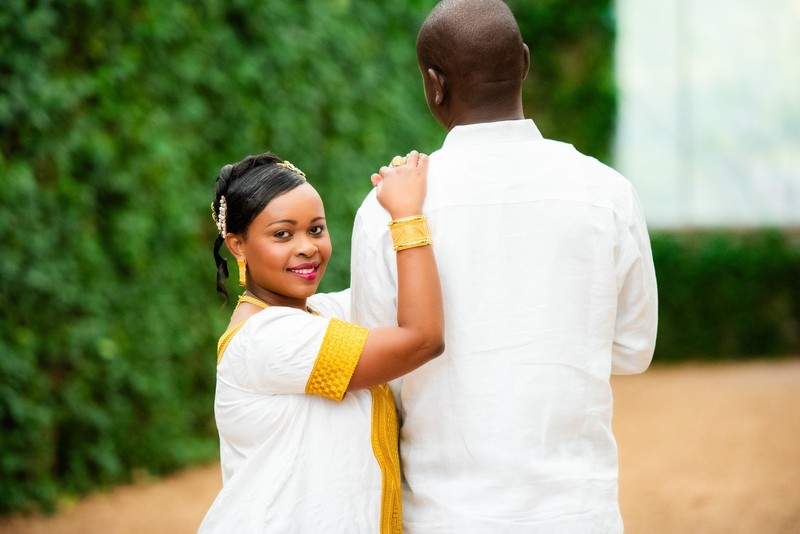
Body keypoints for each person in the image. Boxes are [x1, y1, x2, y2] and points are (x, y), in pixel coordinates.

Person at [350, 0, 658, 532]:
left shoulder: (388, 208)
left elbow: (379, 362)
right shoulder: (607, 192)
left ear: (434, 85)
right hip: (579, 513)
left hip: (444, 516)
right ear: (524, 62)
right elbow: (633, 350)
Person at [199, 150, 443, 533]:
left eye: (315, 229)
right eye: (282, 234)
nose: (307, 247)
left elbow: (404, 296)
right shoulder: (266, 339)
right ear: (237, 246)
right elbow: (421, 339)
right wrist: (406, 214)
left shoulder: (323, 314)